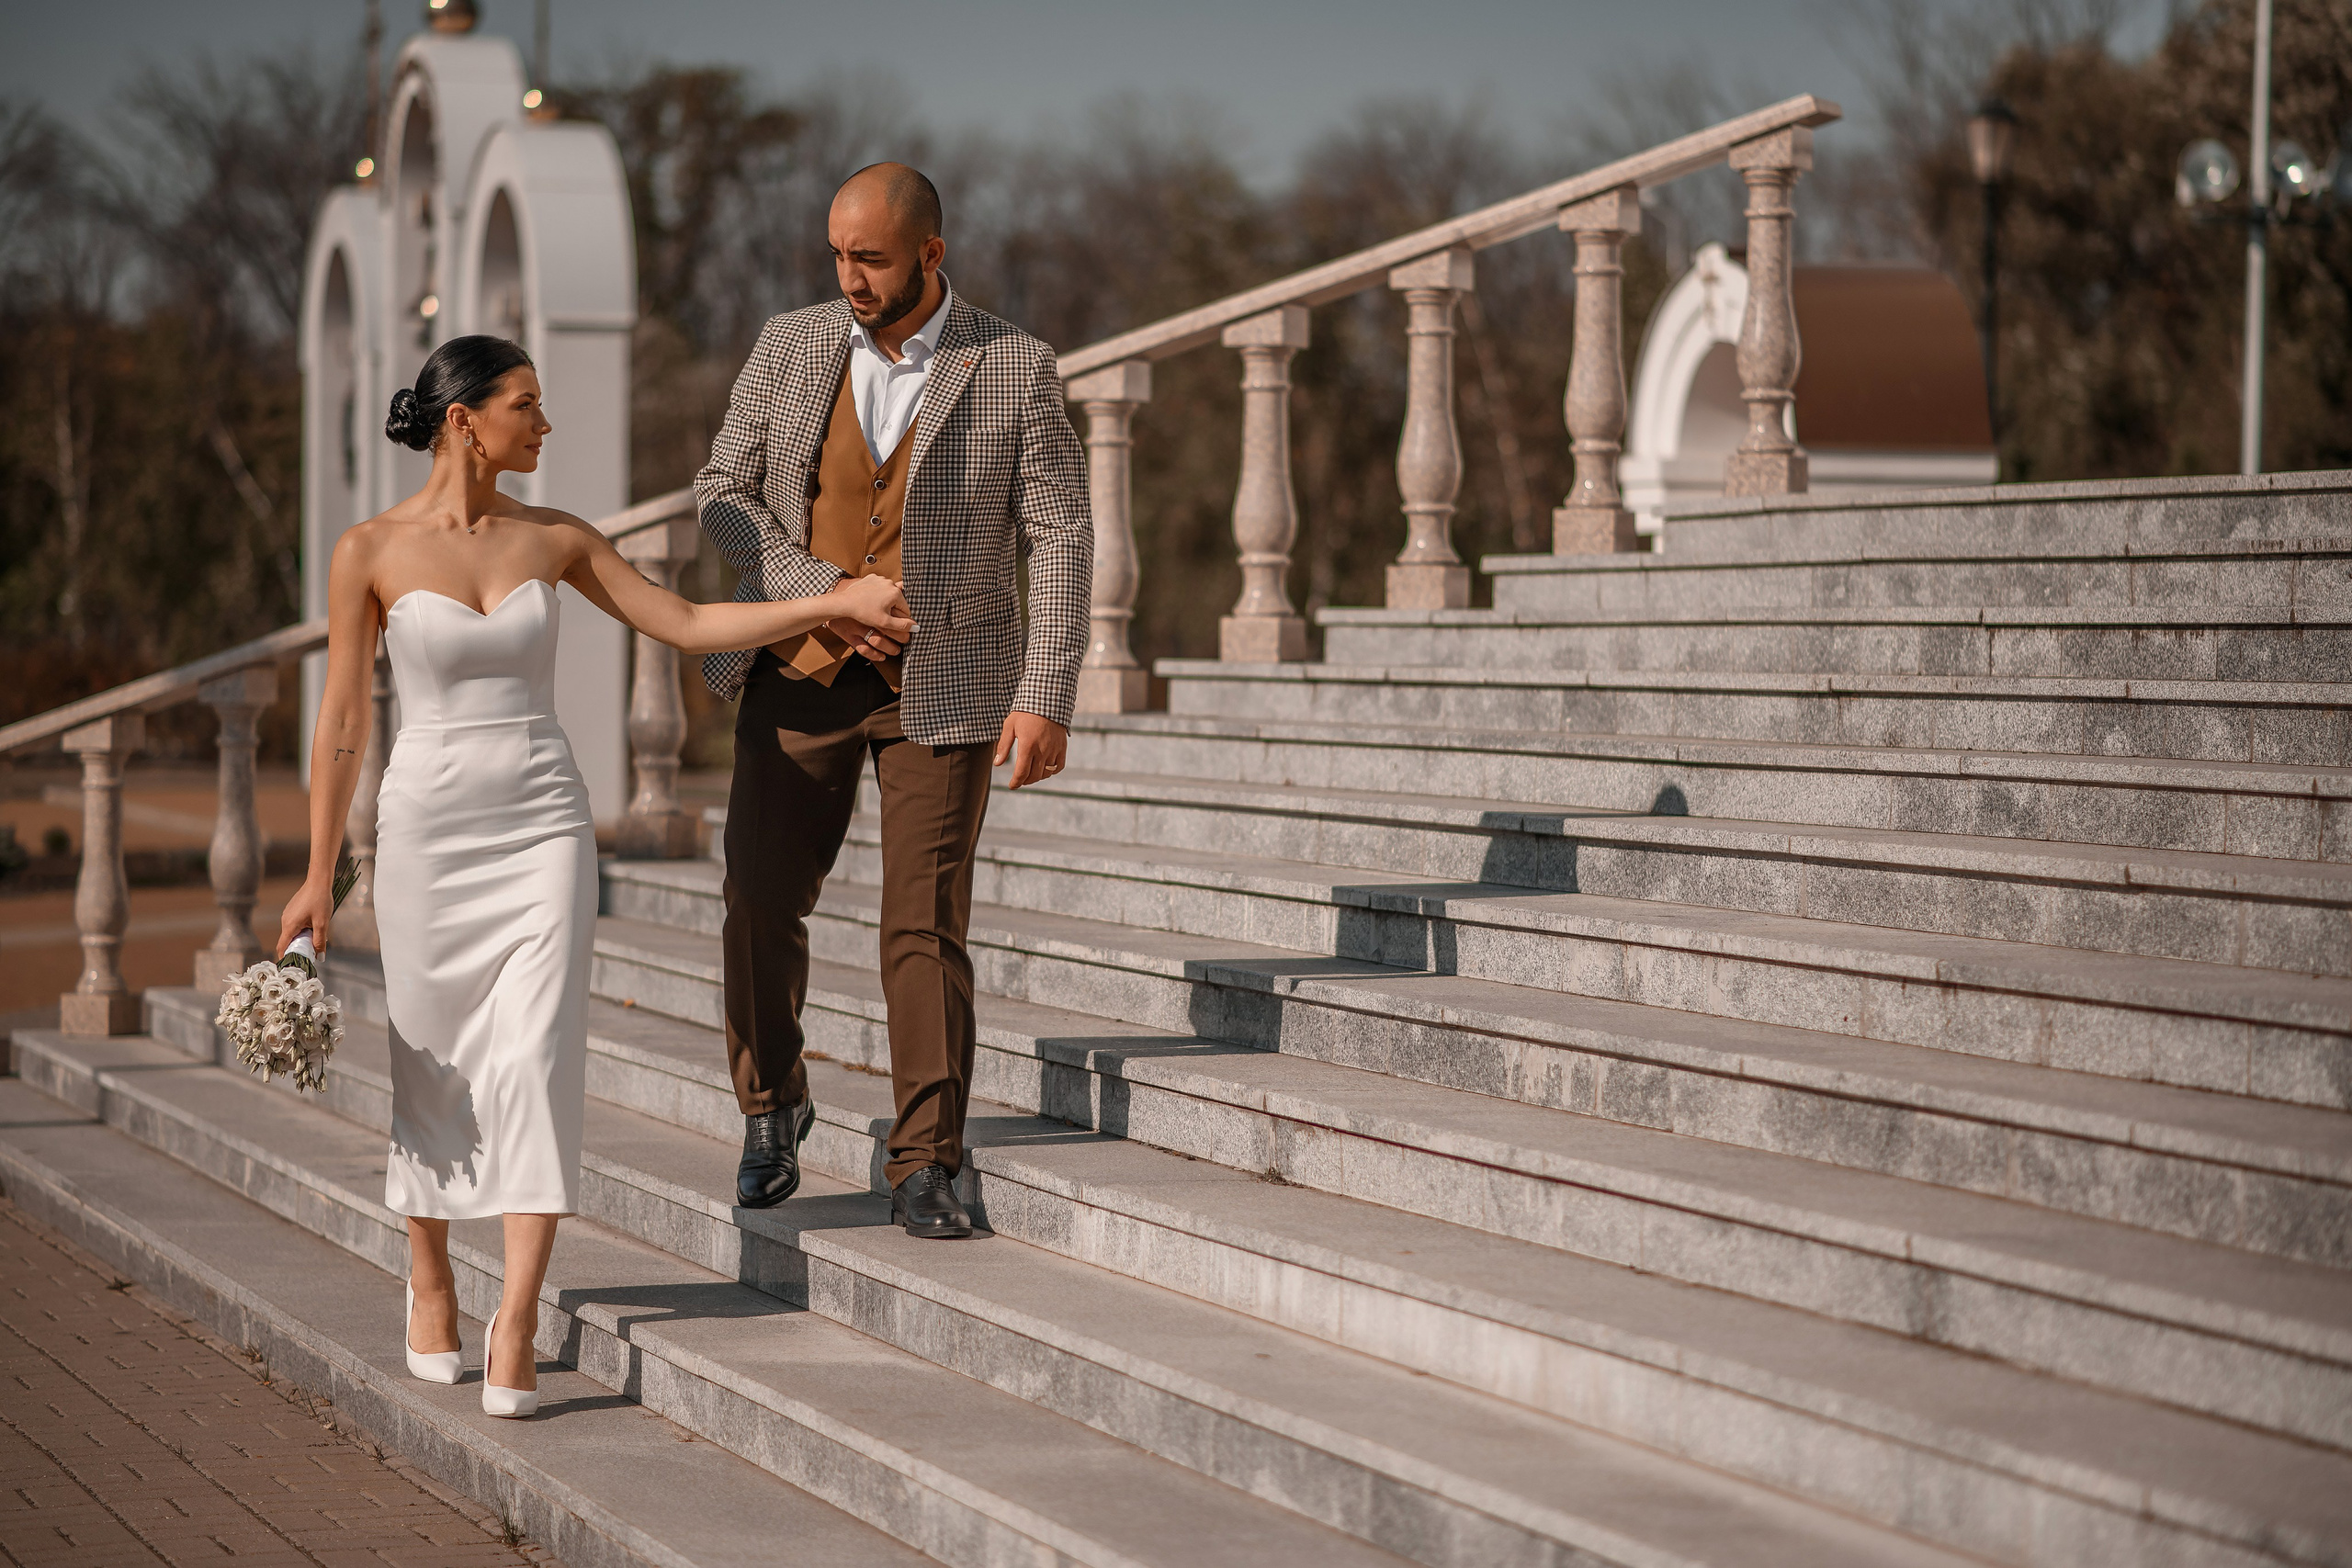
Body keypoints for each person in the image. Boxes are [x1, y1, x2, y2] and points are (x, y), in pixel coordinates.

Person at [279, 334, 914, 1417]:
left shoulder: (559, 539)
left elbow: (686, 623)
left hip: (542, 825)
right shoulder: (367, 551)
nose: (545, 423)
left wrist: (831, 603)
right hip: (427, 831)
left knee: (536, 1057)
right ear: (464, 420)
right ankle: (429, 1272)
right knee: (430, 1062)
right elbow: (342, 720)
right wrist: (315, 873)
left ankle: (517, 1315)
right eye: (525, 405)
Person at [696, 163, 1091, 1238]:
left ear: (930, 253)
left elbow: (1060, 534)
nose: (849, 277)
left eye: (869, 258)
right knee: (758, 900)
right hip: (798, 668)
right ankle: (771, 1105)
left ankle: (925, 1160)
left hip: (948, 679)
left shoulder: (1012, 364)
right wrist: (822, 593)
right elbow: (722, 493)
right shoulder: (789, 345)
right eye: (837, 254)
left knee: (923, 925)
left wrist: (1047, 693)